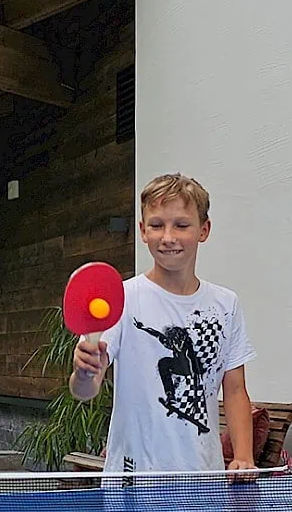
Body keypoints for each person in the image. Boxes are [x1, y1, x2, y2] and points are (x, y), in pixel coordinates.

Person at [70, 173, 256, 475]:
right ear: (143, 231)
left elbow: (235, 390)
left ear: (204, 230)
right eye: (157, 225)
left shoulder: (226, 304)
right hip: (132, 480)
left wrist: (244, 456)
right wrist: (83, 372)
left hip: (203, 478)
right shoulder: (122, 297)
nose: (168, 237)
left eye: (181, 225)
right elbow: (85, 390)